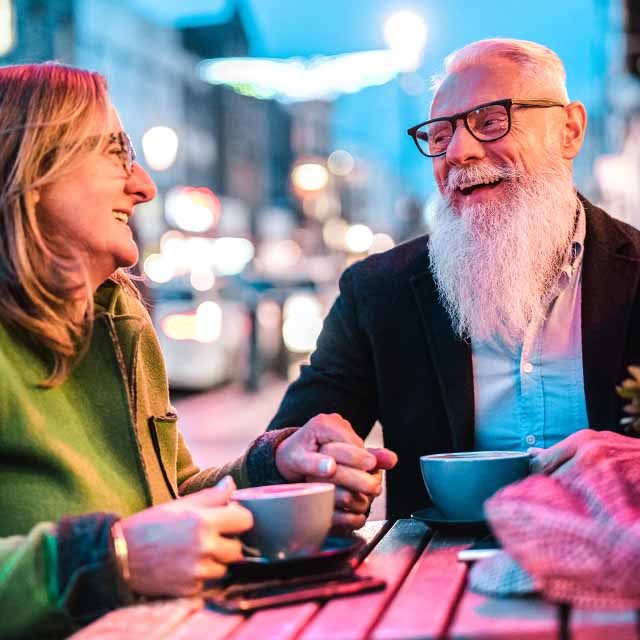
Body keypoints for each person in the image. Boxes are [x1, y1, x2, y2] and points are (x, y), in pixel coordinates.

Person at [0, 63, 396, 639]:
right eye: (115, 151)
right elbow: (134, 545)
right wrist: (111, 561)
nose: (144, 186)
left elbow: (168, 501)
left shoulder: (116, 321)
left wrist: (275, 474)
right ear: (31, 165)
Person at [267, 37, 640, 519]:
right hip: (432, 579)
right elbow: (289, 446)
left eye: (490, 121)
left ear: (569, 131)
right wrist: (317, 469)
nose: (459, 153)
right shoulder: (379, 293)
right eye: (439, 136)